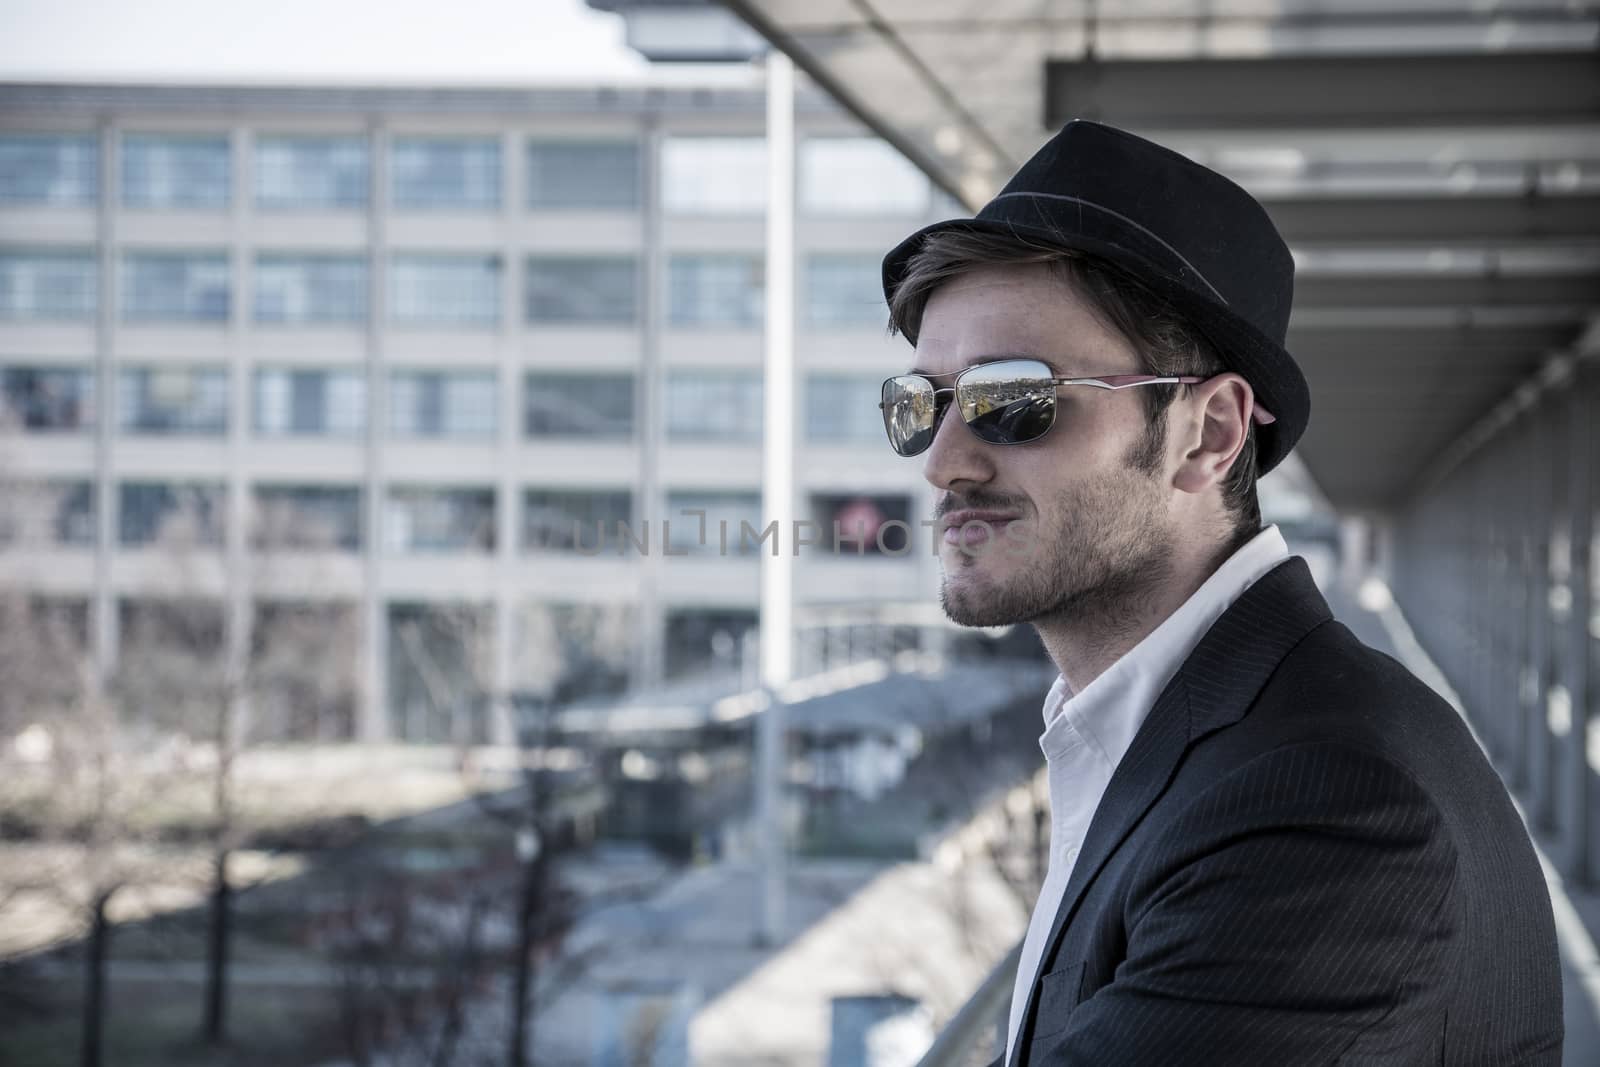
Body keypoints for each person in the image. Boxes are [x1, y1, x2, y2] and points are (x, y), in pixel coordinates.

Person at [877, 120, 1563, 1066]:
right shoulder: (1182, 734)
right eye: (921, 406)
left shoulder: (1322, 805)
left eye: (1011, 397)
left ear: (1208, 435)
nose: (944, 462)